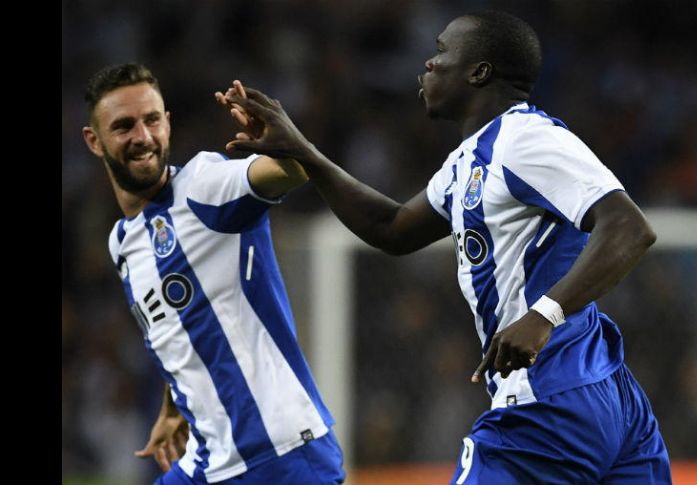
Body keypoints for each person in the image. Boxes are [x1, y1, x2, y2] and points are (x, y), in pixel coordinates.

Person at [218, 10, 672, 485]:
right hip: (604, 399)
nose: (428, 65)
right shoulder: (467, 163)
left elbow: (628, 226)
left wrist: (543, 315)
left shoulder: (526, 140)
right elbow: (390, 227)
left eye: (440, 51)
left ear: (479, 72)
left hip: (549, 401)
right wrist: (304, 153)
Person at [81, 63, 345, 485]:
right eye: (124, 126)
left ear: (167, 123)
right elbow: (184, 323)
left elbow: (291, 172)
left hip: (280, 456)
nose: (143, 137)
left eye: (152, 120)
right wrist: (173, 406)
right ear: (94, 141)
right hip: (210, 459)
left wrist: (279, 143)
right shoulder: (122, 242)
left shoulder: (203, 186)